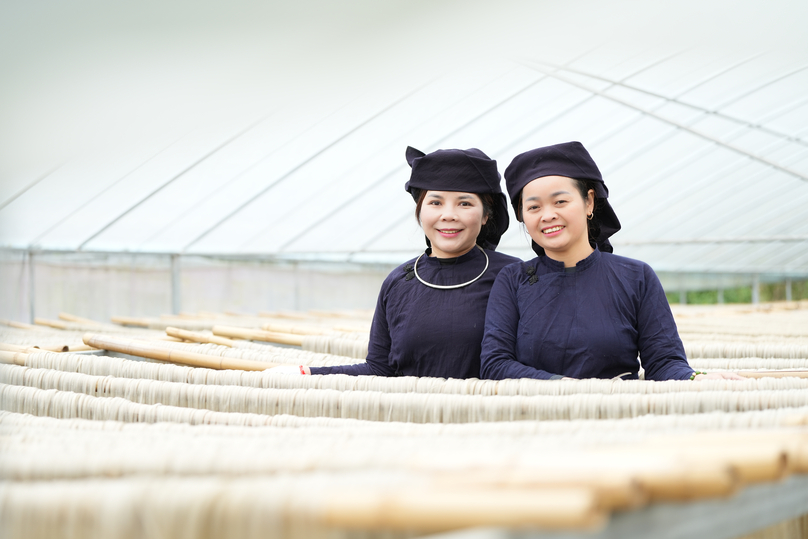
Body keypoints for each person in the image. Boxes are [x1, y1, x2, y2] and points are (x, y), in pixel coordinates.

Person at [480, 141, 742, 382]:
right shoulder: (513, 280)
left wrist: (697, 378)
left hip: (618, 421)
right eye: (534, 207)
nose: (548, 215)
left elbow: (663, 362)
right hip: (534, 422)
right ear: (523, 215)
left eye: (560, 201)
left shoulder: (636, 277)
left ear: (589, 202)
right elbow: (495, 364)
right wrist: (563, 388)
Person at [271, 146, 520, 378]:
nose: (448, 215)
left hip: (488, 422)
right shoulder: (400, 282)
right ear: (420, 210)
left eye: (464, 203)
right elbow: (380, 369)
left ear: (487, 215)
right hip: (406, 422)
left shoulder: (514, 276)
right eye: (435, 202)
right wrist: (308, 373)